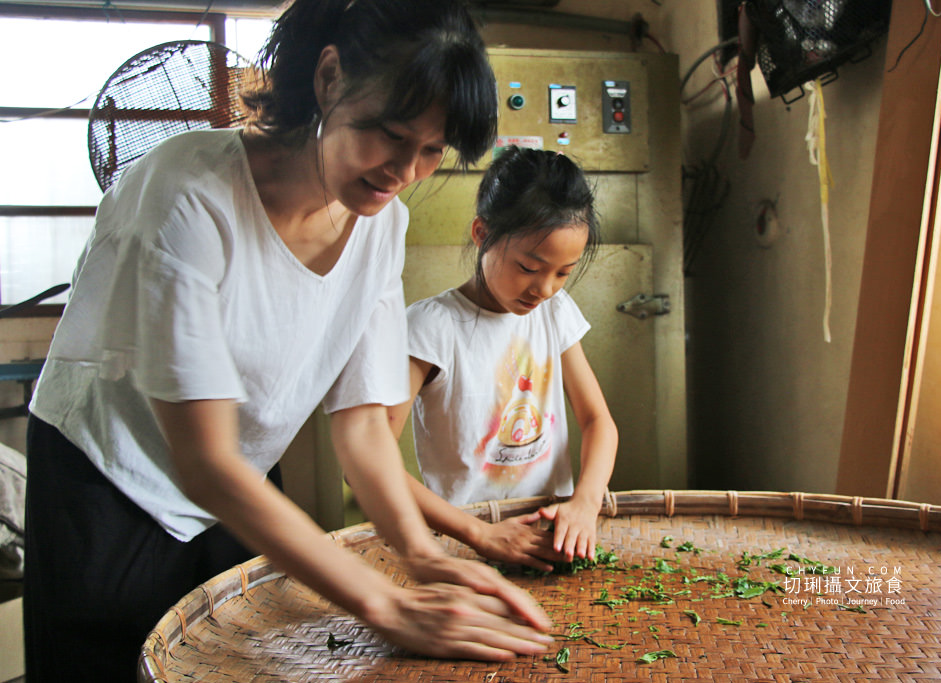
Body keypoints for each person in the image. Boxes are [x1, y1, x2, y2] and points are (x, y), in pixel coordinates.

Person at [22, 2, 554, 680]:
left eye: (431, 151)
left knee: (230, 660)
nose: (403, 172)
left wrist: (422, 555)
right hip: (111, 482)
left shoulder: (380, 224)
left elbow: (362, 428)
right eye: (389, 135)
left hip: (235, 479)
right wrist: (384, 605)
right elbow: (203, 456)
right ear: (329, 77)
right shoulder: (187, 193)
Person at [388, 146, 619, 574]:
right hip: (466, 544)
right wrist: (480, 535)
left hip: (551, 540)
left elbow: (598, 421)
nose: (545, 288)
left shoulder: (555, 311)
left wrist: (585, 504)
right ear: (482, 233)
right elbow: (372, 461)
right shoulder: (430, 327)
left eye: (563, 272)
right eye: (529, 267)